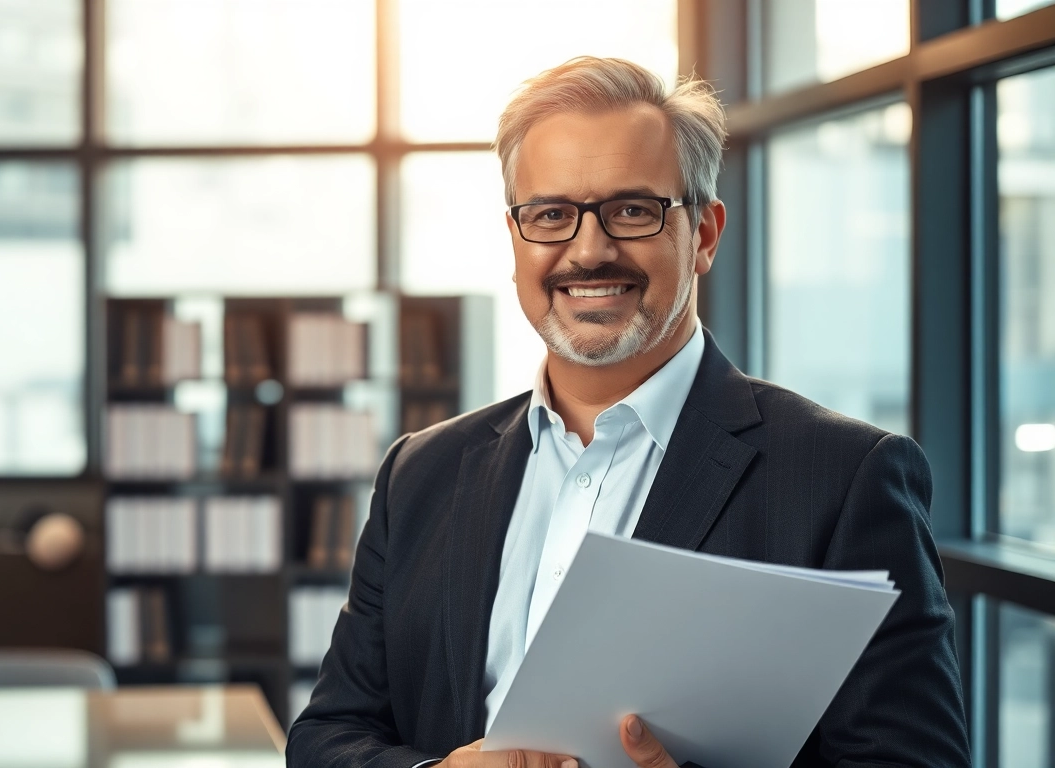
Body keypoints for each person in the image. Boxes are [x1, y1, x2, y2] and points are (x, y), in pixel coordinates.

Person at [285, 56, 969, 768]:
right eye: (551, 215)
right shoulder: (419, 474)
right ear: (516, 238)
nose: (589, 250)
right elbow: (326, 737)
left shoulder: (843, 478)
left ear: (704, 234)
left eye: (634, 210)